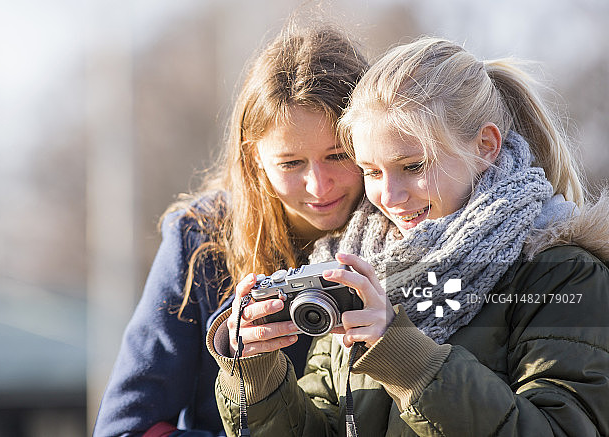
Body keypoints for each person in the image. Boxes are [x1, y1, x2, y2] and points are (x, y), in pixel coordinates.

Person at [207, 37, 609, 436]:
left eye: (413, 166)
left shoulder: (564, 275)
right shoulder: (357, 268)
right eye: (371, 171)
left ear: (486, 146)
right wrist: (257, 376)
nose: (389, 196)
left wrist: (404, 355)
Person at [92, 14, 370, 436]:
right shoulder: (201, 240)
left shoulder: (423, 231)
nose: (319, 184)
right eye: (291, 163)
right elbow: (125, 427)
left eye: (337, 155)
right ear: (254, 156)